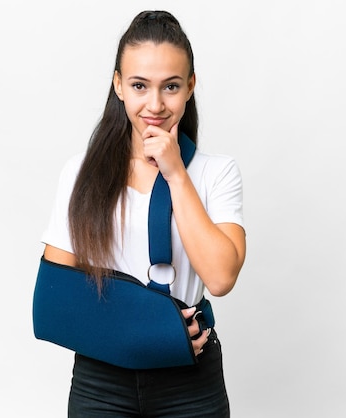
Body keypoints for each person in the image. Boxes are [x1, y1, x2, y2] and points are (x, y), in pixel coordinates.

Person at [41, 10, 246, 417]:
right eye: (139, 85)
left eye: (170, 86)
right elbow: (54, 301)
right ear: (118, 85)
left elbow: (221, 278)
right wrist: (155, 331)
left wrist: (175, 173)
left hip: (189, 382)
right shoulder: (80, 173)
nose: (155, 104)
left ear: (190, 87)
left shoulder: (215, 173)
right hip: (102, 382)